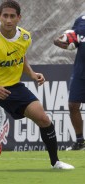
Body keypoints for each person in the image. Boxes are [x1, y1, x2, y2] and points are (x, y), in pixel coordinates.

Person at [0, 0, 74, 170]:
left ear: (19, 18)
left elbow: (20, 57)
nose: (8, 20)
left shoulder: (25, 37)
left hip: (13, 86)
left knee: (43, 119)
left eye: (12, 16)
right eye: (5, 16)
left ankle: (55, 162)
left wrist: (32, 74)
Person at [54, 15, 85, 151]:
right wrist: (61, 42)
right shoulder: (81, 20)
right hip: (81, 71)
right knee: (73, 105)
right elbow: (73, 41)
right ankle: (80, 141)